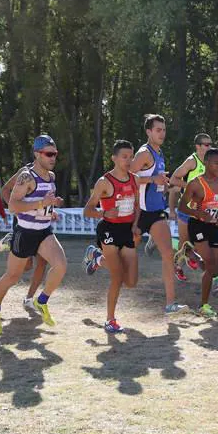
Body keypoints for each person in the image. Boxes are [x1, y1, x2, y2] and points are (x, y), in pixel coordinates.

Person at [0, 135, 67, 335]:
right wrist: (41, 204)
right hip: (25, 232)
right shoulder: (26, 177)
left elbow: (43, 203)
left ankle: (42, 301)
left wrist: (51, 211)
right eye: (49, 154)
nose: (53, 158)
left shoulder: (51, 177)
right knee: (12, 276)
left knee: (61, 265)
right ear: (37, 154)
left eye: (55, 154)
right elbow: (13, 205)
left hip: (44, 231)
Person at [131, 114, 188, 315]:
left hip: (156, 213)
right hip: (138, 214)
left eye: (163, 130)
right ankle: (97, 258)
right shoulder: (144, 153)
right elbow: (127, 177)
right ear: (148, 132)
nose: (162, 133)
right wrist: (153, 179)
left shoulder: (159, 153)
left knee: (168, 254)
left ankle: (170, 304)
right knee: (122, 257)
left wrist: (162, 183)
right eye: (158, 130)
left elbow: (152, 180)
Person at [81, 140, 140, 332]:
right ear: (114, 158)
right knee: (117, 276)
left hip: (126, 231)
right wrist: (104, 213)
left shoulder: (135, 179)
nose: (128, 160)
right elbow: (87, 210)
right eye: (124, 157)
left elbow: (137, 206)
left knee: (131, 282)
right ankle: (110, 320)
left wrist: (136, 225)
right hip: (108, 229)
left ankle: (97, 258)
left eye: (131, 156)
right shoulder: (104, 182)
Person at [177, 148, 218, 318]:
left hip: (212, 226)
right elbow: (182, 206)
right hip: (197, 225)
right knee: (210, 264)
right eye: (215, 163)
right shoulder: (196, 184)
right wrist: (199, 214)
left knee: (214, 269)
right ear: (206, 163)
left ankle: (189, 253)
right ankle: (204, 305)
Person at [0, 162, 48, 310]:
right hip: (24, 224)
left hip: (41, 226)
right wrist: (15, 209)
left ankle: (29, 298)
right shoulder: (25, 172)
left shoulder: (48, 175)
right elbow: (5, 190)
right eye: (47, 154)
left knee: (43, 262)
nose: (50, 157)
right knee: (26, 266)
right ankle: (12, 240)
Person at [168, 133, 213, 281]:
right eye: (206, 144)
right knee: (185, 244)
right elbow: (174, 179)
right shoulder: (191, 161)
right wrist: (190, 187)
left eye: (210, 144)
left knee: (191, 243)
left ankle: (188, 259)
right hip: (187, 210)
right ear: (198, 146)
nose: (209, 147)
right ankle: (178, 266)